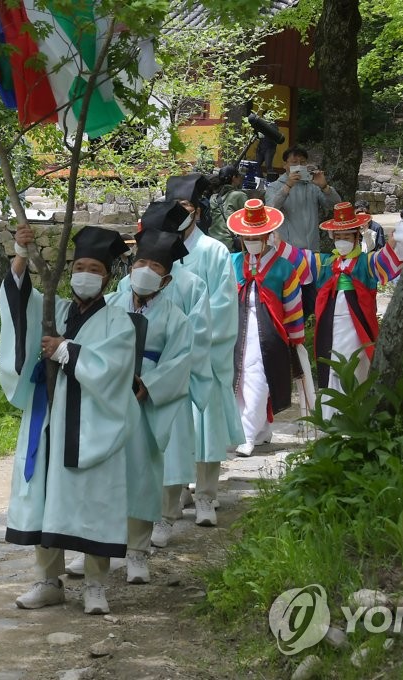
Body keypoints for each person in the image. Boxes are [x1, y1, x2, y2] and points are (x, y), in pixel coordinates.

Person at [0, 224, 136, 615]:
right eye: (79, 266)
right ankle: (47, 581)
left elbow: (113, 372)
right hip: (47, 420)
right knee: (43, 497)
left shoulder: (118, 322)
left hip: (91, 426)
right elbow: (19, 303)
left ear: (108, 277)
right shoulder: (53, 310)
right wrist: (22, 254)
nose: (85, 274)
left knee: (95, 501)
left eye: (95, 268)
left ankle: (95, 585)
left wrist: (66, 351)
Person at [151, 173, 243, 530]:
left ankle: (206, 495)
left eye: (186, 207)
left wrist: (190, 341)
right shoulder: (162, 252)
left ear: (198, 212)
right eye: (175, 208)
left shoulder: (215, 251)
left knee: (206, 427)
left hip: (204, 353)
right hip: (168, 357)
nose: (180, 213)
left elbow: (221, 305)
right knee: (173, 431)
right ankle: (178, 492)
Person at [119, 200, 211, 549]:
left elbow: (198, 334)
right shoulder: (123, 289)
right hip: (122, 382)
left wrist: (163, 379)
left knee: (168, 450)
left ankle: (165, 515)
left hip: (168, 378)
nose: (145, 268)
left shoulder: (190, 284)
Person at [103, 229, 193, 583]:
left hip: (144, 404)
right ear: (128, 269)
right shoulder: (109, 306)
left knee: (141, 475)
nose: (145, 270)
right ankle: (97, 545)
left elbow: (180, 361)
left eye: (154, 266)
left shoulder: (175, 318)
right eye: (140, 262)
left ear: (166, 278)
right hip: (107, 399)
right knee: (103, 475)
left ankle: (137, 552)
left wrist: (150, 384)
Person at [295, 203, 403, 418]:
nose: (342, 241)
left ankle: (355, 416)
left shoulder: (366, 263)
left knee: (356, 364)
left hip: (356, 323)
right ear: (332, 236)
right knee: (332, 365)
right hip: (331, 322)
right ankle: (331, 416)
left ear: (357, 237)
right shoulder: (326, 263)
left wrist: (394, 241)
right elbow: (298, 258)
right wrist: (274, 240)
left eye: (347, 237)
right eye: (338, 236)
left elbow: (386, 260)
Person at [227, 200, 307, 456]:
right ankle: (260, 431)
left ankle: (247, 434)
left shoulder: (284, 267)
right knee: (238, 381)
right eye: (247, 236)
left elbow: (293, 305)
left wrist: (296, 339)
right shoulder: (232, 262)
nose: (251, 240)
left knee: (259, 380)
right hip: (237, 330)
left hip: (270, 333)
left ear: (268, 235)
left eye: (257, 236)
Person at [264, 146, 342, 253]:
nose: (299, 166)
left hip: (312, 249)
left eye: (302, 162)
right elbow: (270, 210)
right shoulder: (274, 186)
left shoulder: (313, 186)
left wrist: (325, 187)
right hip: (286, 250)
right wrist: (288, 186)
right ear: (285, 165)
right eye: (294, 162)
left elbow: (337, 205)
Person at [209, 164, 248, 251]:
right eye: (238, 176)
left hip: (212, 242)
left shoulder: (213, 198)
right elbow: (248, 220)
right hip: (229, 245)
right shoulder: (239, 196)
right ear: (234, 178)